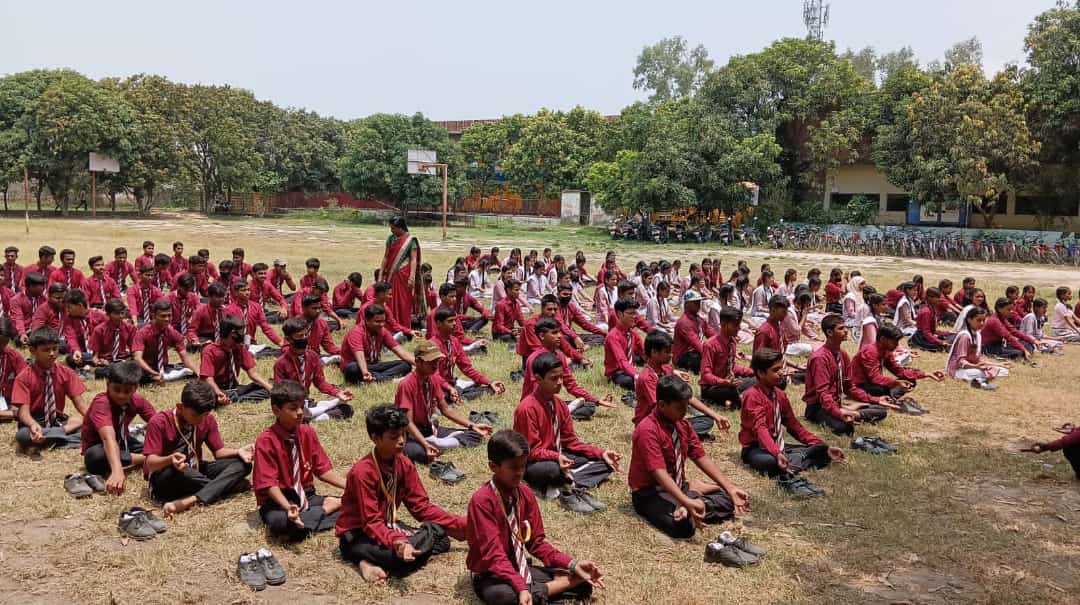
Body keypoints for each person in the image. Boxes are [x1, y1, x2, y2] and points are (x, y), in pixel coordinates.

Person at [466, 429, 604, 605]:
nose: (520, 473)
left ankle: (548, 589)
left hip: (519, 565)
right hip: (491, 573)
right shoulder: (482, 501)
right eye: (513, 467)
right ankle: (554, 587)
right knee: (504, 597)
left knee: (583, 581)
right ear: (493, 466)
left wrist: (572, 564)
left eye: (523, 466)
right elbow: (494, 556)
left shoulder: (525, 494)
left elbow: (537, 543)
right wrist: (521, 587)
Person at [336, 405, 467, 584]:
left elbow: (421, 507)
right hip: (358, 533)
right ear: (375, 438)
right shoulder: (362, 472)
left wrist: (459, 523)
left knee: (442, 540)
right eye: (393, 437)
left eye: (403, 434)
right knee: (400, 557)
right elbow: (371, 521)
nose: (401, 441)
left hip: (387, 525)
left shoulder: (404, 464)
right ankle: (365, 559)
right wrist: (397, 541)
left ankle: (378, 559)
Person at [630, 374, 749, 538]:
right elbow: (659, 473)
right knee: (683, 527)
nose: (685, 412)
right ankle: (692, 500)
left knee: (728, 501)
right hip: (651, 492)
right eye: (680, 408)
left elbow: (701, 457)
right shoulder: (647, 430)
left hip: (678, 485)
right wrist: (686, 501)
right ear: (662, 405)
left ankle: (694, 500)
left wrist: (730, 488)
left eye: (686, 406)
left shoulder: (683, 424)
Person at [514, 352, 619, 503]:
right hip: (535, 462)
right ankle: (564, 478)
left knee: (605, 463)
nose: (560, 382)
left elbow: (571, 442)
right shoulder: (526, 409)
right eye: (553, 378)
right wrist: (556, 457)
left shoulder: (560, 404)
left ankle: (567, 481)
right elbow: (531, 451)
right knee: (553, 470)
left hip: (559, 453)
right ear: (538, 379)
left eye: (561, 377)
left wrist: (601, 453)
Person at [740, 349, 844, 496]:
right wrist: (776, 453)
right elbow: (760, 429)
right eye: (775, 370)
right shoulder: (752, 396)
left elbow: (795, 426)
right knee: (771, 462)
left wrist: (822, 445)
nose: (781, 373)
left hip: (777, 444)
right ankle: (793, 462)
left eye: (781, 368)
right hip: (756, 448)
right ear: (761, 373)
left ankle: (793, 461)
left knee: (823, 452)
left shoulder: (780, 395)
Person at [253, 380, 347, 541]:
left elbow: (323, 471)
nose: (300, 412)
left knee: (357, 507)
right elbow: (270, 485)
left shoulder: (307, 432)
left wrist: (351, 486)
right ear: (276, 410)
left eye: (302, 407)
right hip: (278, 501)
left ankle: (313, 515)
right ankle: (325, 510)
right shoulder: (266, 440)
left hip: (306, 494)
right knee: (281, 525)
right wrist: (287, 507)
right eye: (292, 408)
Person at [143, 381, 253, 517]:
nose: (201, 420)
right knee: (179, 472)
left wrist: (238, 451)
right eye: (195, 415)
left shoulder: (208, 419)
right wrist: (170, 459)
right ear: (180, 407)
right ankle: (226, 487)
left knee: (243, 464)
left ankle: (192, 499)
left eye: (205, 415)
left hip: (195, 468)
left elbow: (219, 452)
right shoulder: (159, 422)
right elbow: (150, 463)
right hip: (168, 475)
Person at [395, 340, 490, 465]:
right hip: (409, 434)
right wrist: (425, 443)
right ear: (418, 361)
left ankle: (437, 443)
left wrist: (472, 425)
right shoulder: (407, 384)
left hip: (428, 428)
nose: (435, 365)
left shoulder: (433, 378)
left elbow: (446, 410)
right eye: (431, 362)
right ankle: (433, 443)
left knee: (475, 435)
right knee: (419, 453)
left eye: (437, 361)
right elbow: (408, 423)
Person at [803, 315, 892, 435]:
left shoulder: (842, 355)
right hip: (819, 408)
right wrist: (839, 413)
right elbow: (823, 394)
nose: (846, 331)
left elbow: (849, 387)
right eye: (841, 328)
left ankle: (852, 412)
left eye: (845, 327)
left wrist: (875, 399)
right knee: (845, 428)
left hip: (836, 404)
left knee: (882, 411)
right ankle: (850, 412)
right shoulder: (820, 358)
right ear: (829, 332)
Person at [634, 330, 728, 439]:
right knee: (683, 425)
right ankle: (680, 433)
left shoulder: (666, 370)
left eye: (671, 351)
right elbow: (659, 409)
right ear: (654, 352)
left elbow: (687, 397)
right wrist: (679, 419)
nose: (671, 355)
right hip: (653, 423)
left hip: (669, 418)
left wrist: (715, 415)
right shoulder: (647, 378)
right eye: (667, 352)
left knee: (706, 421)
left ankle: (681, 432)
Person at [80, 361, 156, 493]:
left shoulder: (137, 400)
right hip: (101, 447)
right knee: (95, 457)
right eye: (116, 390)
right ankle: (147, 459)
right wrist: (117, 471)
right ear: (108, 385)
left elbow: (157, 422)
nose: (121, 395)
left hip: (124, 443)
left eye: (127, 391)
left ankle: (144, 458)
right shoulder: (102, 403)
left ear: (135, 388)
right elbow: (107, 438)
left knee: (155, 446)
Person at [12, 327, 89, 453]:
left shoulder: (67, 373)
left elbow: (81, 405)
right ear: (32, 351)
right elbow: (23, 413)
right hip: (34, 422)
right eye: (46, 350)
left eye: (55, 349)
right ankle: (61, 436)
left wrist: (97, 422)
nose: (52, 353)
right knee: (23, 435)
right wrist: (32, 425)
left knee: (89, 430)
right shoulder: (24, 377)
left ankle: (45, 441)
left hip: (57, 421)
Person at [522, 318, 614, 422]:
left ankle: (559, 413)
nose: (560, 336)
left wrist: (596, 400)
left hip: (550, 401)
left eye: (559, 332)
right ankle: (556, 414)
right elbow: (535, 392)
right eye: (554, 333)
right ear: (542, 336)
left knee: (589, 406)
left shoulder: (560, 356)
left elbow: (572, 386)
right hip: (533, 406)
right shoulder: (535, 359)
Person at [273, 318, 354, 421]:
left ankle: (312, 415)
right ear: (289, 339)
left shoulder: (313, 356)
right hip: (291, 404)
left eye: (305, 335)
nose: (303, 338)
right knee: (291, 415)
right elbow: (280, 394)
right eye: (299, 336)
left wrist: (338, 393)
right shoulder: (281, 363)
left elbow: (320, 383)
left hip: (306, 402)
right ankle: (320, 409)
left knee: (348, 409)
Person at [850, 325, 943, 402]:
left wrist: (926, 374)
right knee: (880, 389)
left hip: (872, 382)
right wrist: (896, 383)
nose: (897, 345)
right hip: (860, 384)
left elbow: (899, 371)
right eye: (895, 341)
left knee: (910, 378)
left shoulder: (886, 351)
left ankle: (891, 396)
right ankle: (890, 396)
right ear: (883, 339)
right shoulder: (870, 352)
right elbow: (874, 378)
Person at [430, 307, 505, 400]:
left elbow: (466, 368)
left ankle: (460, 393)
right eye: (450, 321)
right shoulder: (432, 345)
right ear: (439, 323)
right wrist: (448, 387)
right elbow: (433, 375)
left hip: (451, 383)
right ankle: (459, 395)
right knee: (447, 397)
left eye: (455, 320)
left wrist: (489, 382)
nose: (454, 324)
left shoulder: (454, 341)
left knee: (490, 389)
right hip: (437, 386)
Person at [199, 316, 273, 405]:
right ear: (232, 334)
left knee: (265, 388)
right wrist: (219, 393)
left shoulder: (239, 348)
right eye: (241, 333)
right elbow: (208, 379)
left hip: (234, 388)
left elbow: (253, 373)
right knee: (206, 398)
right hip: (215, 389)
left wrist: (270, 388)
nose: (243, 337)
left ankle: (235, 399)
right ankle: (233, 398)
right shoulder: (209, 350)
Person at [340, 304, 414, 384]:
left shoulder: (382, 331)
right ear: (367, 321)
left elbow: (400, 351)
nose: (382, 324)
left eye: (383, 321)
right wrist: (365, 372)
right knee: (352, 369)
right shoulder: (356, 332)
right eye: (377, 322)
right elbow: (360, 356)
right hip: (358, 366)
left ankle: (379, 379)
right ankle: (388, 379)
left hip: (374, 365)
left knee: (406, 365)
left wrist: (422, 365)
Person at [700, 307, 756, 409]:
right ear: (723, 324)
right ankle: (739, 400)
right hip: (713, 387)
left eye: (738, 325)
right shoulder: (710, 345)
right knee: (731, 391)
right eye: (735, 325)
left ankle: (733, 401)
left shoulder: (732, 342)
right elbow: (706, 375)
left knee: (757, 379)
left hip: (729, 383)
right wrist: (724, 382)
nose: (738, 328)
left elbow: (731, 366)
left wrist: (750, 371)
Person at [132, 301, 199, 383]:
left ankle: (159, 377)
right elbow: (137, 359)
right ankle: (154, 377)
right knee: (135, 373)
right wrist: (152, 373)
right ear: (153, 316)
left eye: (169, 315)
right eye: (163, 316)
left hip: (163, 366)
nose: (167, 319)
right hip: (144, 367)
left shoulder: (173, 333)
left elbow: (184, 357)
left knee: (189, 371)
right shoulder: (142, 333)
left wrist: (198, 373)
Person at [946, 306, 1010, 390]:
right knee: (978, 372)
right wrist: (976, 366)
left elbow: (977, 359)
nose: (982, 323)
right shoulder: (965, 336)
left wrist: (997, 364)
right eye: (979, 320)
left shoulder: (978, 335)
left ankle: (980, 378)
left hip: (971, 367)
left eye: (983, 320)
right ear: (969, 320)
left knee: (1004, 371)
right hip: (958, 370)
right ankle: (979, 380)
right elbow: (961, 361)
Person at [381, 218, 422, 325]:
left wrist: (412, 276)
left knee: (403, 300)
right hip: (391, 274)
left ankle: (403, 324)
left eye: (393, 228)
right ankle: (390, 323)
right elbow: (386, 257)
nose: (391, 230)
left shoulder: (410, 240)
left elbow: (413, 259)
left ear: (400, 228)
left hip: (403, 275)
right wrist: (381, 272)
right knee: (390, 298)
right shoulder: (390, 239)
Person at [224, 280, 284, 355]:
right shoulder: (229, 309)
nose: (247, 293)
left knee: (276, 351)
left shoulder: (256, 307)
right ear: (236, 293)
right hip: (236, 344)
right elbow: (226, 333)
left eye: (248, 290)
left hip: (251, 344)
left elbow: (266, 328)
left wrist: (280, 342)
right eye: (243, 290)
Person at [604, 298, 644, 391]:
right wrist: (637, 375)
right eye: (630, 313)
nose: (634, 316)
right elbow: (622, 362)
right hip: (617, 373)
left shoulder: (632, 333)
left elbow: (645, 352)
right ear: (619, 314)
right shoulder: (613, 336)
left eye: (635, 313)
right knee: (630, 381)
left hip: (629, 369)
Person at [672, 290, 713, 373]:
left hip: (695, 352)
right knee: (709, 364)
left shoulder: (699, 319)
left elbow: (712, 334)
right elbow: (697, 344)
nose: (698, 305)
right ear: (687, 304)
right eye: (695, 302)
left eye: (699, 302)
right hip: (683, 356)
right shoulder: (684, 322)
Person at [0, 318, 28, 422]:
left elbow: (25, 380)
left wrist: (17, 401)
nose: (1, 346)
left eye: (4, 343)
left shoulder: (13, 356)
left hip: (7, 400)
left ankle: (7, 414)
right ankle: (10, 414)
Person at [909, 288, 953, 352]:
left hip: (929, 335)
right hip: (922, 338)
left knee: (951, 337)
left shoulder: (932, 309)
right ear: (930, 298)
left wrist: (948, 333)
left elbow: (933, 331)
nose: (940, 300)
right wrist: (940, 342)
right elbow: (926, 333)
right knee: (942, 346)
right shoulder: (926, 312)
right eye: (937, 297)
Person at [10, 272, 47, 344]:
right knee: (18, 338)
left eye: (44, 285)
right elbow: (18, 318)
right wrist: (22, 333)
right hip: (23, 329)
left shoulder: (44, 299)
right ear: (30, 286)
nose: (43, 288)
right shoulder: (16, 300)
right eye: (41, 286)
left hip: (38, 329)